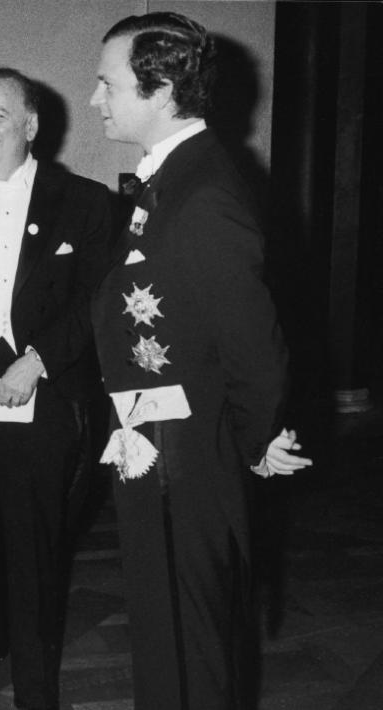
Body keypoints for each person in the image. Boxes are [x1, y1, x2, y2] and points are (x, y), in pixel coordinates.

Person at [89, 12, 312, 709]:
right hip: (159, 449)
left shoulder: (204, 192)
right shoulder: (173, 177)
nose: (95, 100)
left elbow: (253, 342)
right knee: (169, 636)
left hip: (188, 458)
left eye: (108, 84)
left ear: (159, 92)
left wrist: (257, 436)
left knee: (194, 646)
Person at [0, 67, 111, 710]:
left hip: (40, 383)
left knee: (34, 534)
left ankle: (38, 678)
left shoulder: (84, 200)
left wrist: (37, 359)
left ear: (31, 125)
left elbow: (96, 300)